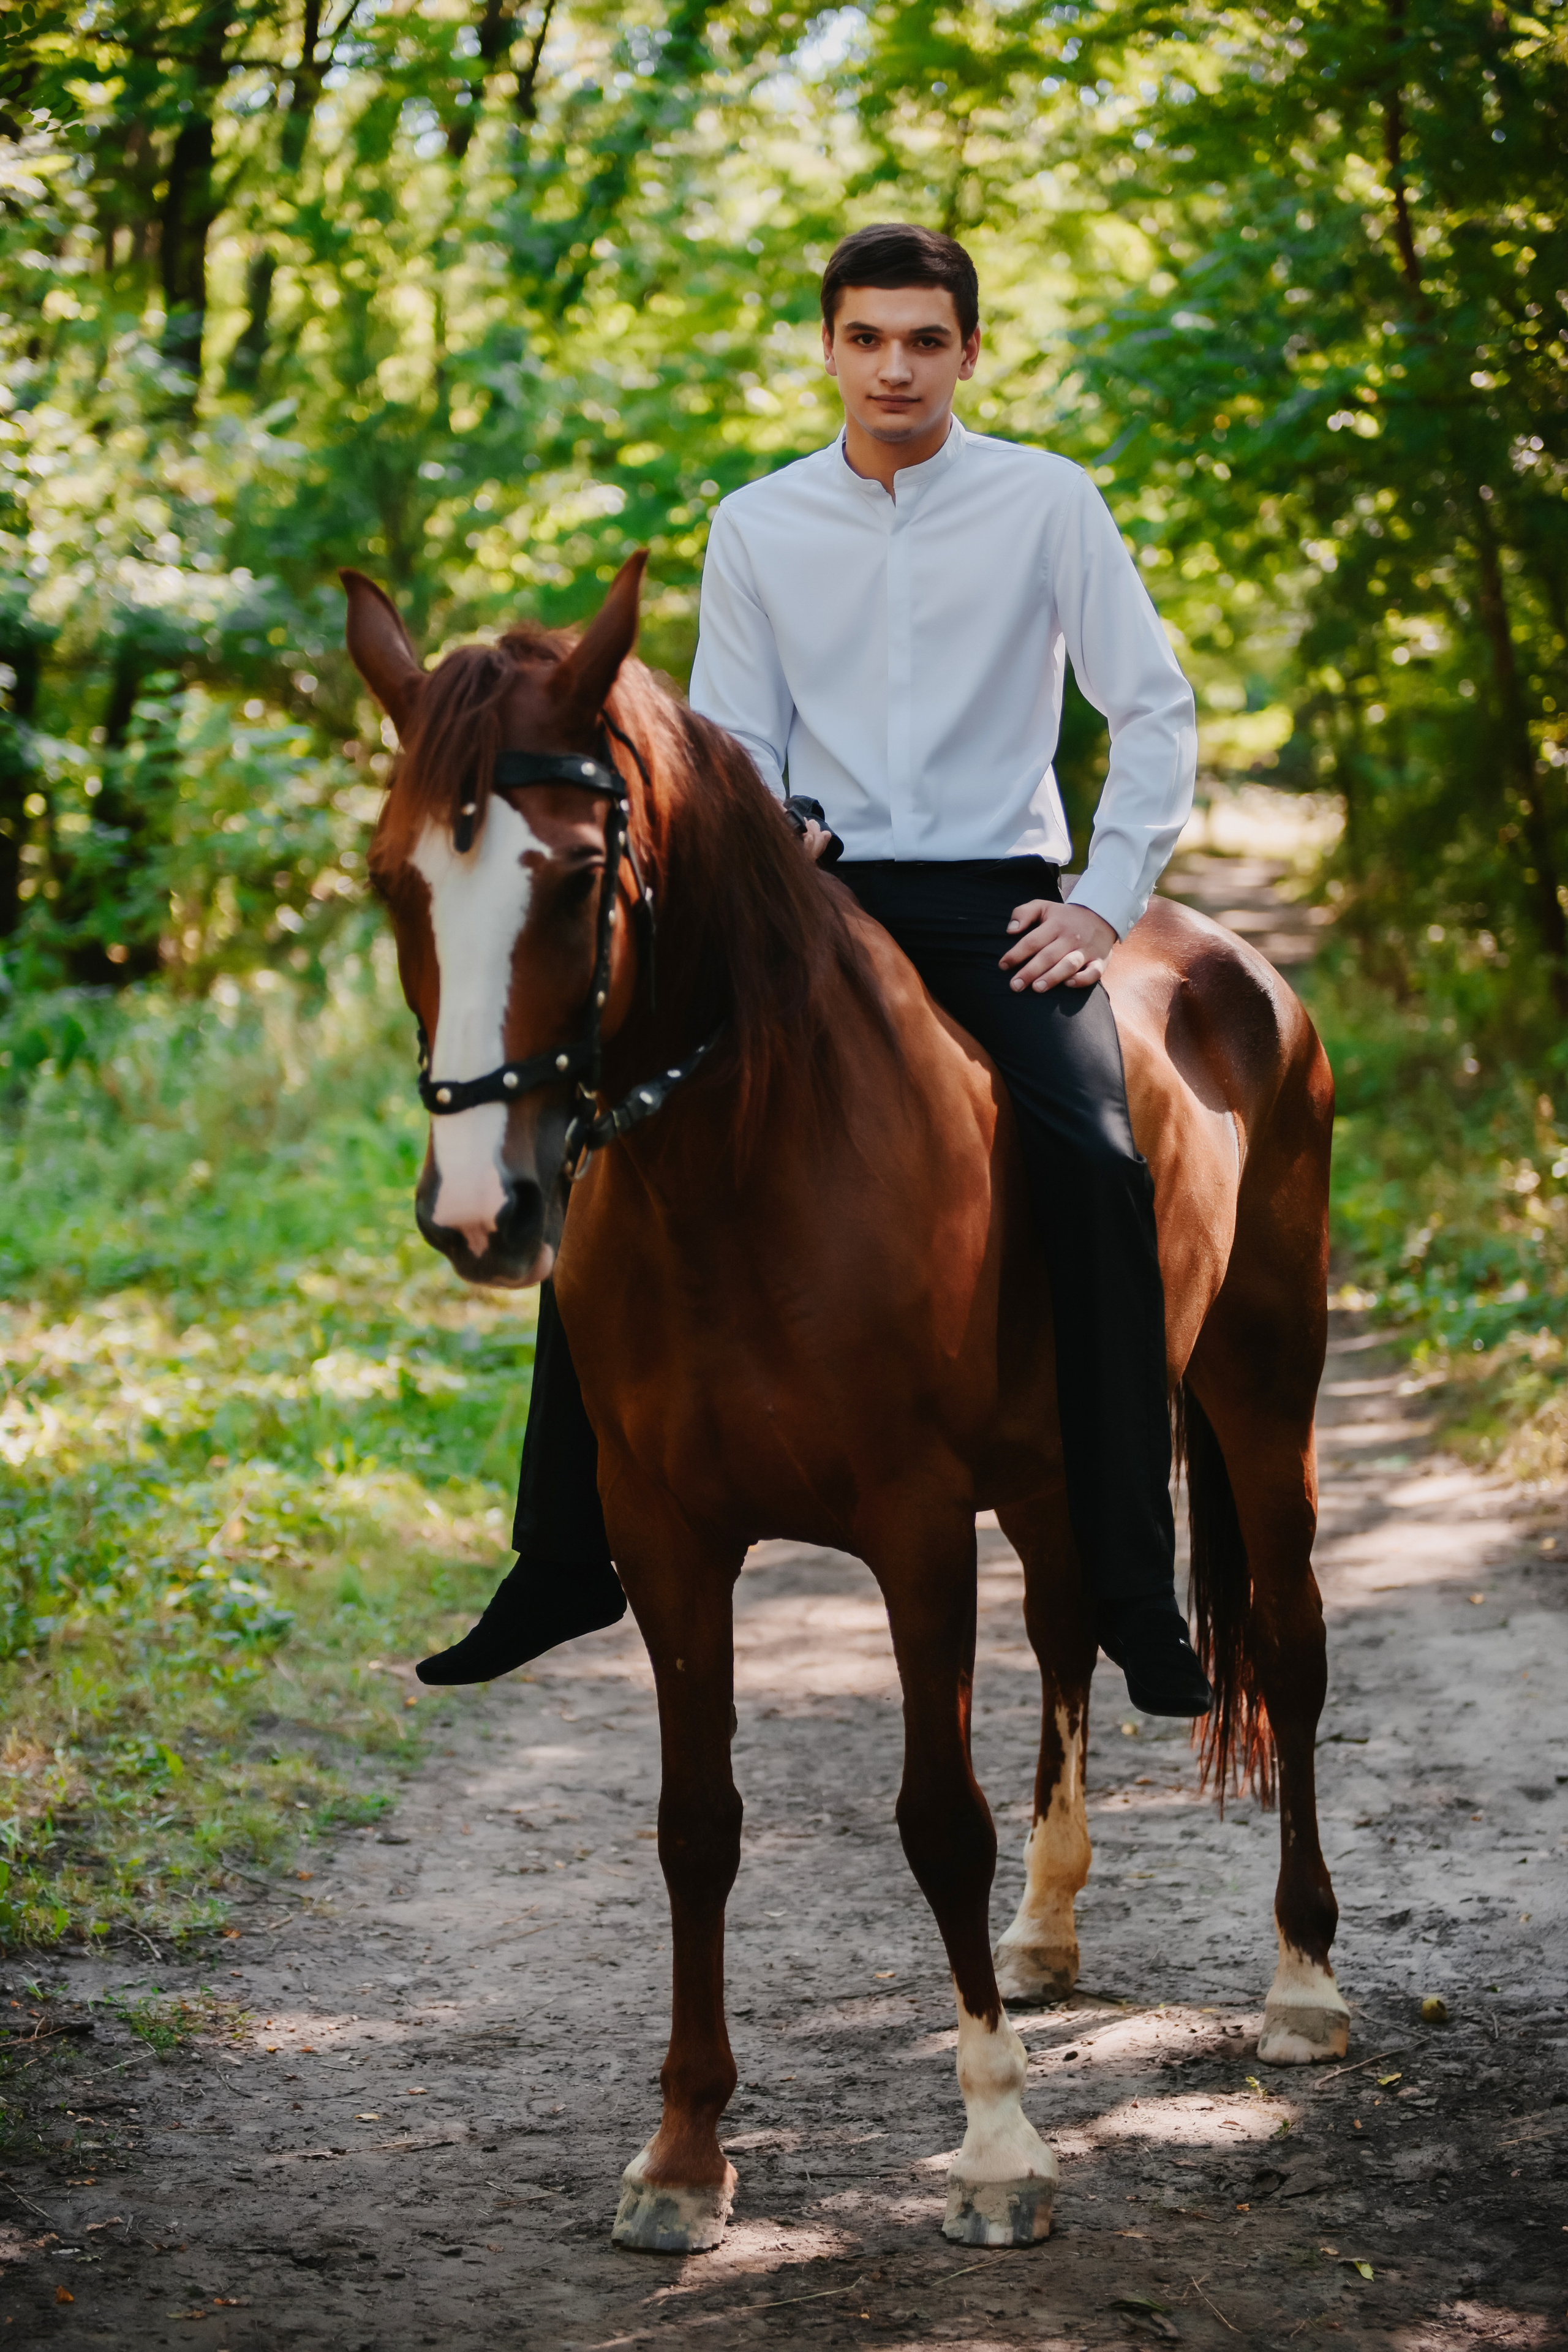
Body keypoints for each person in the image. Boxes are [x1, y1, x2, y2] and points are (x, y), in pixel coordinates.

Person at [419, 222, 1212, 1718]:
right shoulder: (758, 523)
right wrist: (767, 820)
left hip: (995, 904)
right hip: (810, 896)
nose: (894, 367)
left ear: (968, 351)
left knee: (1097, 1154)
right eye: (866, 338)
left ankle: (1122, 1577)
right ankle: (560, 1553)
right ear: (827, 349)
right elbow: (733, 743)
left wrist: (1104, 904)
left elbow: (1151, 709)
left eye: (924, 338)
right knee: (606, 1131)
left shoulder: (1048, 503)